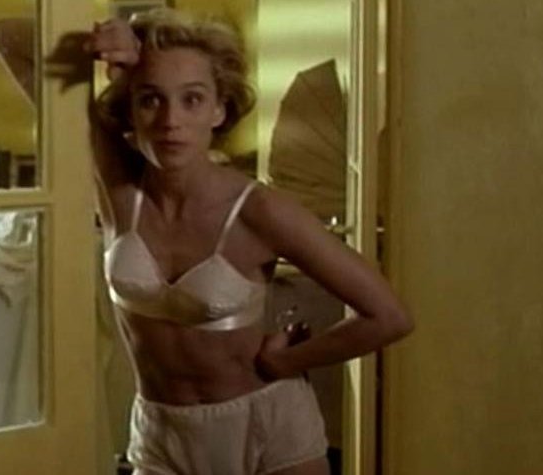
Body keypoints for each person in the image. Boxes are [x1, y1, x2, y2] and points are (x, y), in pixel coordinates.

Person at [86, 9, 412, 475]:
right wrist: (98, 39)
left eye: (193, 99)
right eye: (151, 99)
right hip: (161, 434)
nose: (171, 120)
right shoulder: (118, 189)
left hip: (266, 430)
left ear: (219, 109)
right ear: (130, 110)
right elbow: (11, 40)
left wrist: (288, 361)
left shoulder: (259, 210)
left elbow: (389, 316)